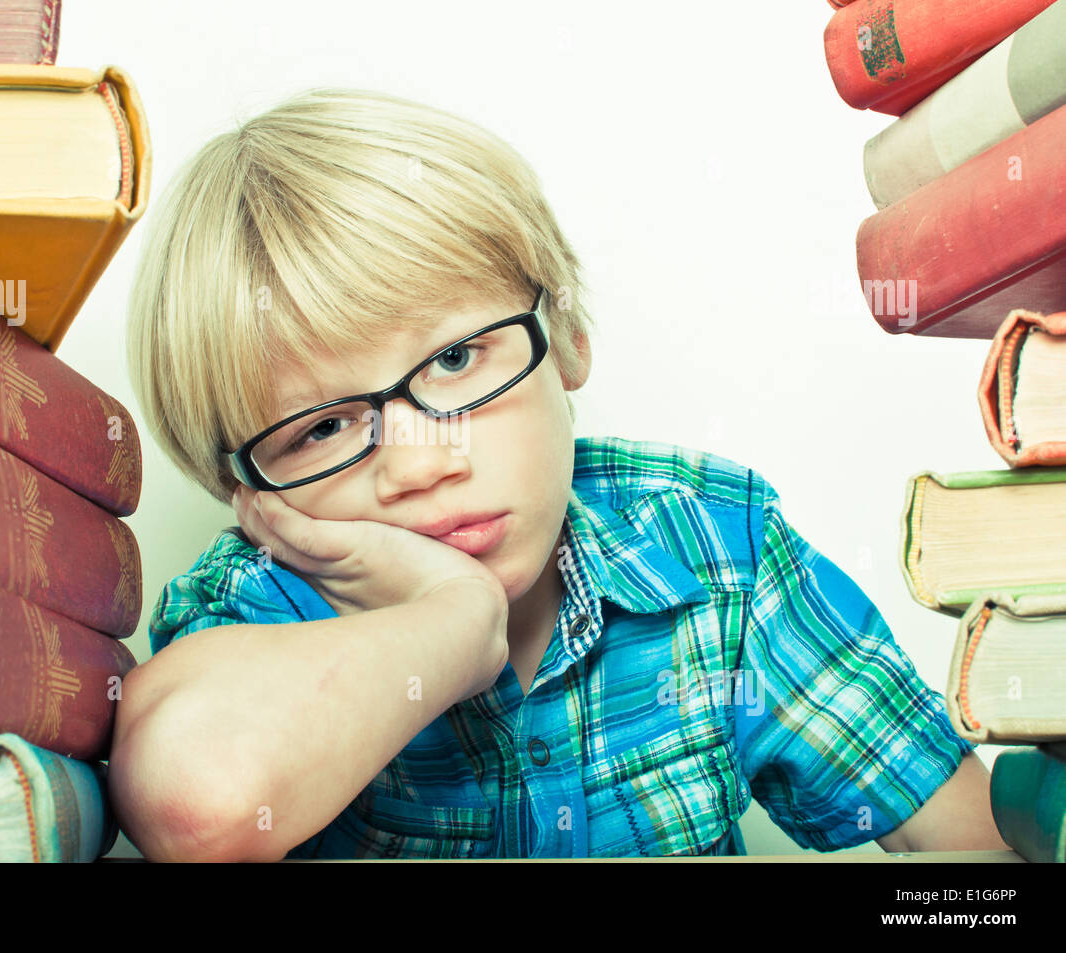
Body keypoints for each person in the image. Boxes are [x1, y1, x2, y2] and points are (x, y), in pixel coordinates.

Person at [112, 86, 1008, 860]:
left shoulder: (709, 541)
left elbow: (975, 852)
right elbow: (199, 801)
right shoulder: (258, 610)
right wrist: (456, 621)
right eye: (325, 428)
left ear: (569, 338)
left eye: (457, 358)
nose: (422, 465)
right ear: (254, 498)